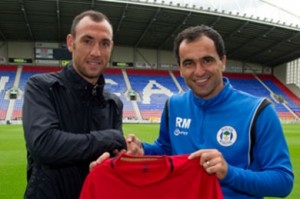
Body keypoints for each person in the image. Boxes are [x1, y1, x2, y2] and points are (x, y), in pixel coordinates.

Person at [92, 25, 294, 199]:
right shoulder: (174, 105)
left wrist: (228, 172)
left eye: (207, 60)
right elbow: (165, 149)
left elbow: (283, 181)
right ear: (179, 68)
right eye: (189, 63)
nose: (198, 71)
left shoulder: (259, 110)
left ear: (222, 61)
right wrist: (142, 150)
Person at [22, 10, 126, 199]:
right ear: (71, 43)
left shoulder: (113, 103)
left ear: (111, 47)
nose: (96, 52)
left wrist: (120, 154)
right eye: (87, 41)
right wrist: (109, 138)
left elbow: (115, 154)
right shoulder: (42, 87)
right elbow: (44, 145)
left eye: (104, 43)